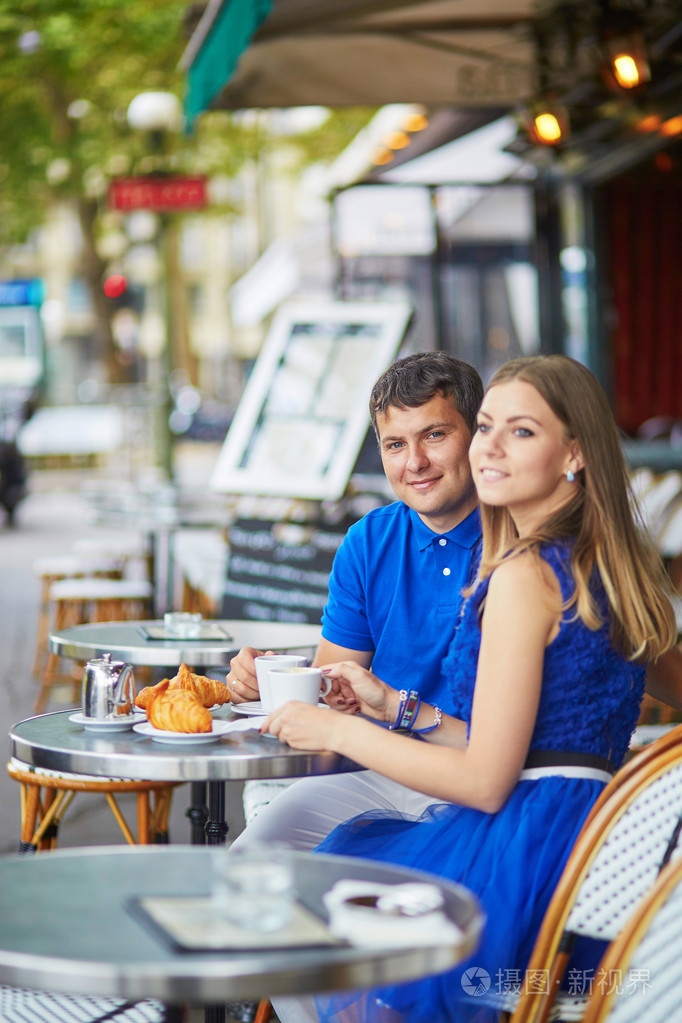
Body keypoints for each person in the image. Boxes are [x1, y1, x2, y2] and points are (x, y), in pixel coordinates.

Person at [262, 354, 677, 1023]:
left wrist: (338, 728)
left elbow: (486, 780)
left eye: (521, 431)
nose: (491, 446)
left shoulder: (523, 574)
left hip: (521, 845)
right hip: (594, 839)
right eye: (487, 427)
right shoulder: (599, 563)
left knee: (308, 917)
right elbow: (540, 743)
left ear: (574, 453)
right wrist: (393, 705)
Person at [227, 350, 484, 844]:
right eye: (395, 444)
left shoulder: (519, 543)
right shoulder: (368, 541)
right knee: (255, 855)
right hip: (373, 768)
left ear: (476, 435)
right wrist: (271, 682)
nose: (415, 462)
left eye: (435, 435)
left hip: (474, 777)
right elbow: (335, 689)